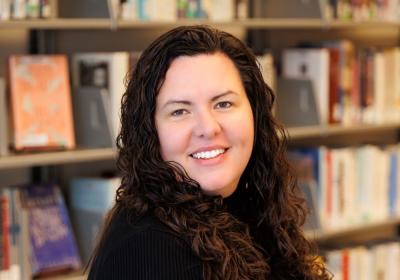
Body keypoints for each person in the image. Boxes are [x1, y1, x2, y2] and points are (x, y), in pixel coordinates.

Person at [88, 25, 331, 280]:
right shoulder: (148, 248)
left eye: (223, 103)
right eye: (180, 111)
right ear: (150, 131)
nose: (208, 128)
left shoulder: (249, 208)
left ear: (255, 113)